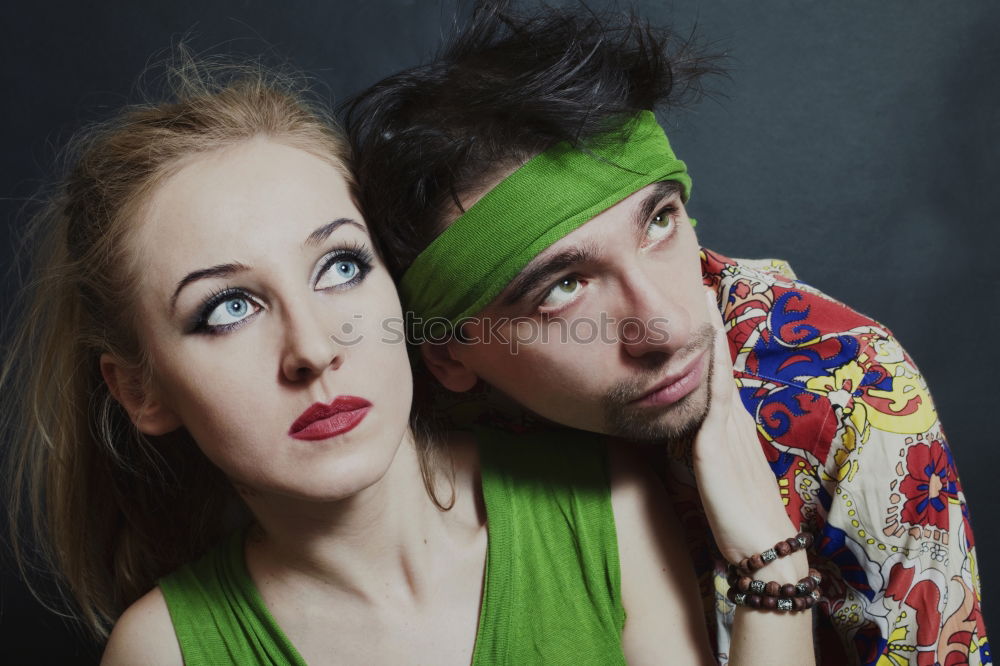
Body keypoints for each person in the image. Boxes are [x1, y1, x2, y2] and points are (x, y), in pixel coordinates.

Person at [2, 55, 808, 665]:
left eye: (340, 268)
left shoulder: (593, 502)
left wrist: (771, 562)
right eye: (228, 309)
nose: (314, 350)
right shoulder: (165, 652)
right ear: (140, 390)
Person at [344, 2, 989, 664]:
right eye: (563, 287)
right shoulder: (394, 428)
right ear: (449, 356)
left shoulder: (845, 393)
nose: (667, 325)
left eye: (658, 222)